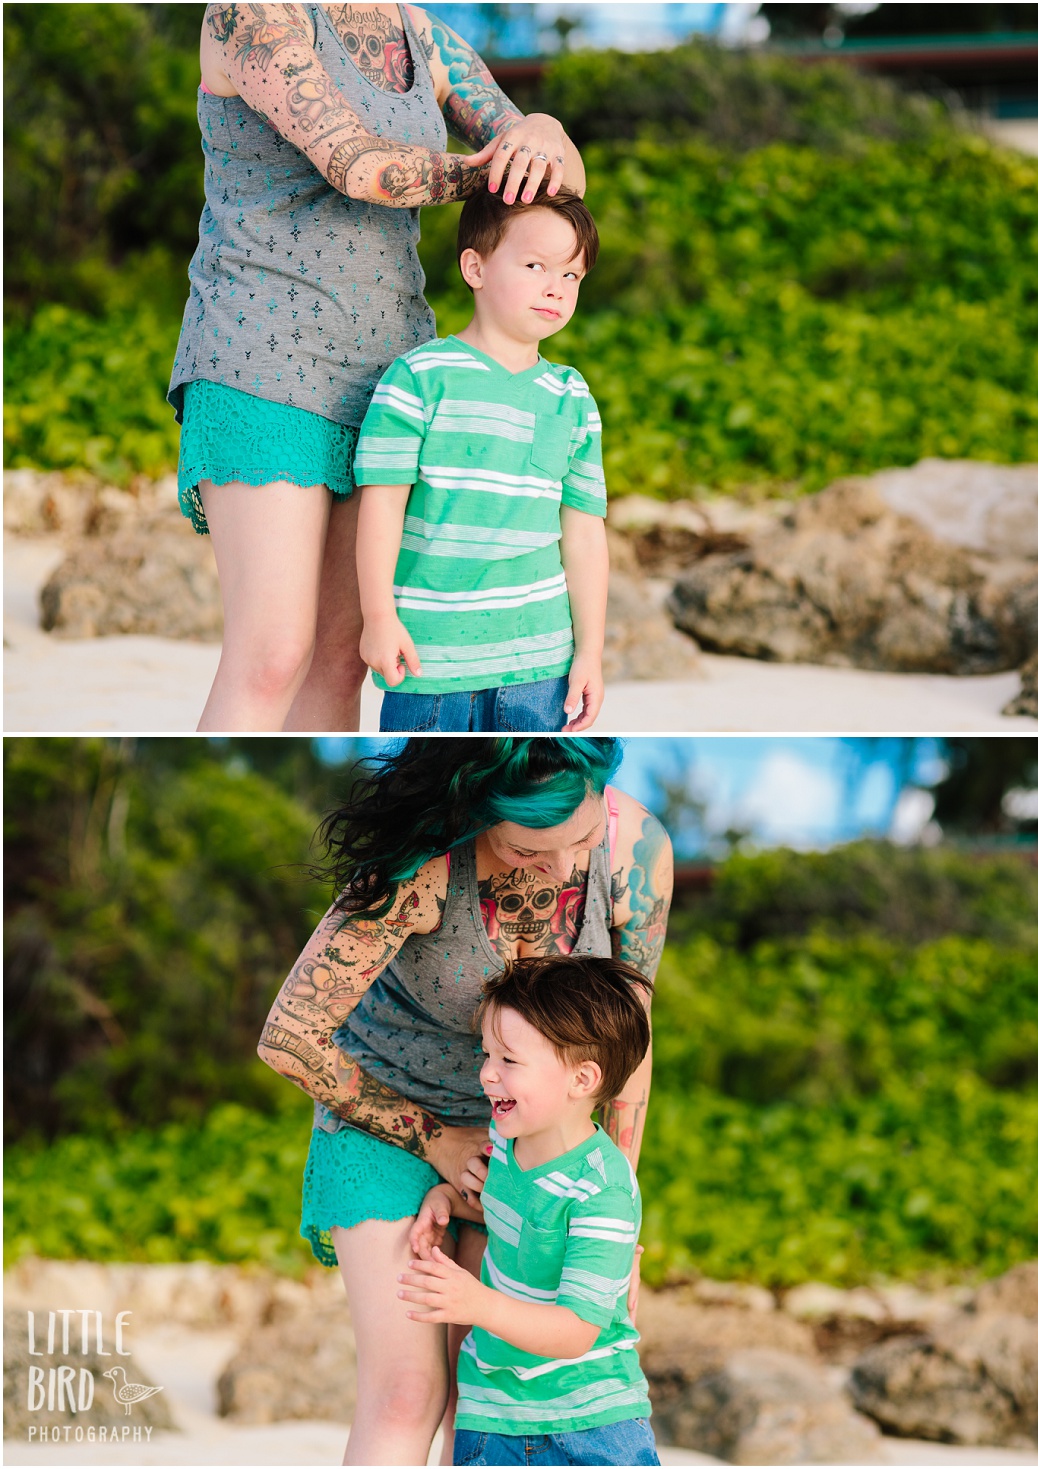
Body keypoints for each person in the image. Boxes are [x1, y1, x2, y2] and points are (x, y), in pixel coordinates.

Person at [169, 3, 586, 732]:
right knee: (271, 651)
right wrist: (497, 171)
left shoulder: (416, 29)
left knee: (340, 658)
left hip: (389, 376)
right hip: (261, 354)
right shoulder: (251, 13)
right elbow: (357, 165)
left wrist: (543, 129)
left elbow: (558, 177)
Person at [257, 736, 673, 1465]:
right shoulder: (418, 867)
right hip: (385, 1116)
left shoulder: (637, 851)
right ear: (480, 813)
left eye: (579, 837)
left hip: (521, 1139)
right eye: (527, 852)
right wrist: (436, 1142)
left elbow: (626, 1043)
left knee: (484, 1389)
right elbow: (290, 1036)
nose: (563, 866)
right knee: (407, 1391)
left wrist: (618, 1212)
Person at [354, 185, 608, 733]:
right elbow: (381, 511)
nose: (556, 288)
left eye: (571, 276)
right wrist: (378, 617)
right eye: (537, 265)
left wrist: (590, 653)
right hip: (429, 659)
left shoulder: (572, 396)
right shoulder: (419, 378)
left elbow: (585, 535)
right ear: (476, 266)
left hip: (540, 665)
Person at [403, 955, 660, 1468]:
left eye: (509, 1061)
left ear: (582, 1079)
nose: (486, 1074)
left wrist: (476, 1304)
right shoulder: (508, 1141)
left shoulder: (601, 1191)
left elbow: (575, 1331)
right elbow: (514, 1219)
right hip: (493, 1412)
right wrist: (448, 1202)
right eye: (487, 1054)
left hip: (588, 1422)